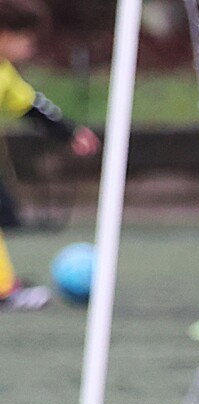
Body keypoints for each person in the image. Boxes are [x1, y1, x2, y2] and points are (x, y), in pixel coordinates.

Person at [0, 0, 98, 310]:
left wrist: (70, 133)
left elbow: (32, 106)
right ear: (3, 35)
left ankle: (5, 287)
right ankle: (4, 291)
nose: (31, 47)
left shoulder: (4, 72)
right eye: (26, 39)